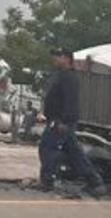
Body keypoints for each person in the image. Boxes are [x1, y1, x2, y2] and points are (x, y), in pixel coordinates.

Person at [38, 47, 105, 196]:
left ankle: (47, 181)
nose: (55, 58)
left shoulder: (69, 77)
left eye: (58, 56)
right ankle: (94, 181)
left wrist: (64, 121)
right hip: (57, 120)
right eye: (54, 55)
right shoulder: (60, 75)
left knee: (47, 147)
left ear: (68, 58)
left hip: (61, 122)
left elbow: (71, 101)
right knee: (75, 153)